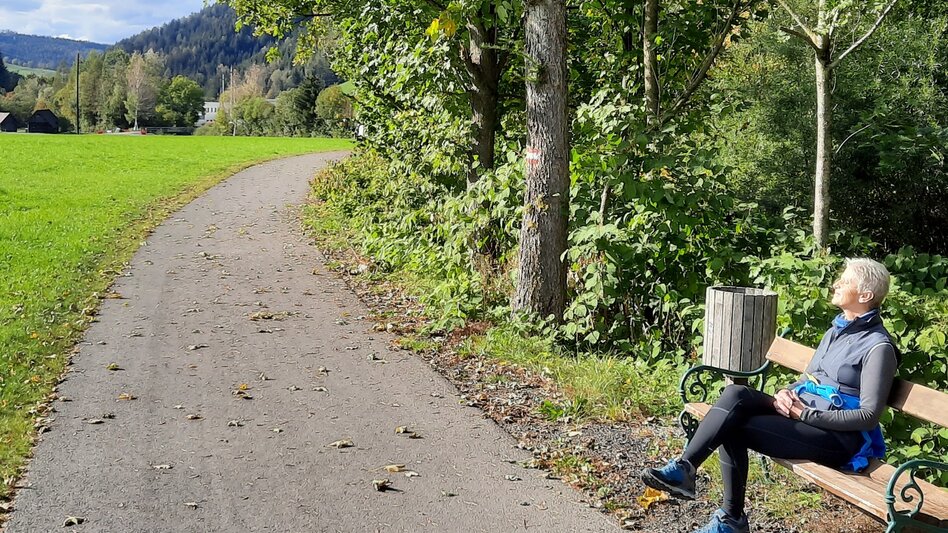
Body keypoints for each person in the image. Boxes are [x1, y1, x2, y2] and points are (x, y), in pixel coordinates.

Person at [642, 258, 898, 533]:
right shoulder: (836, 331)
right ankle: (685, 468)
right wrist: (786, 392)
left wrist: (805, 413)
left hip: (836, 438)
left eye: (845, 281)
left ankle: (731, 520)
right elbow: (809, 379)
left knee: (733, 425)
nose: (836, 284)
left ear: (865, 295)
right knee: (735, 394)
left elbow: (869, 417)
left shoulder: (878, 347)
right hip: (801, 414)